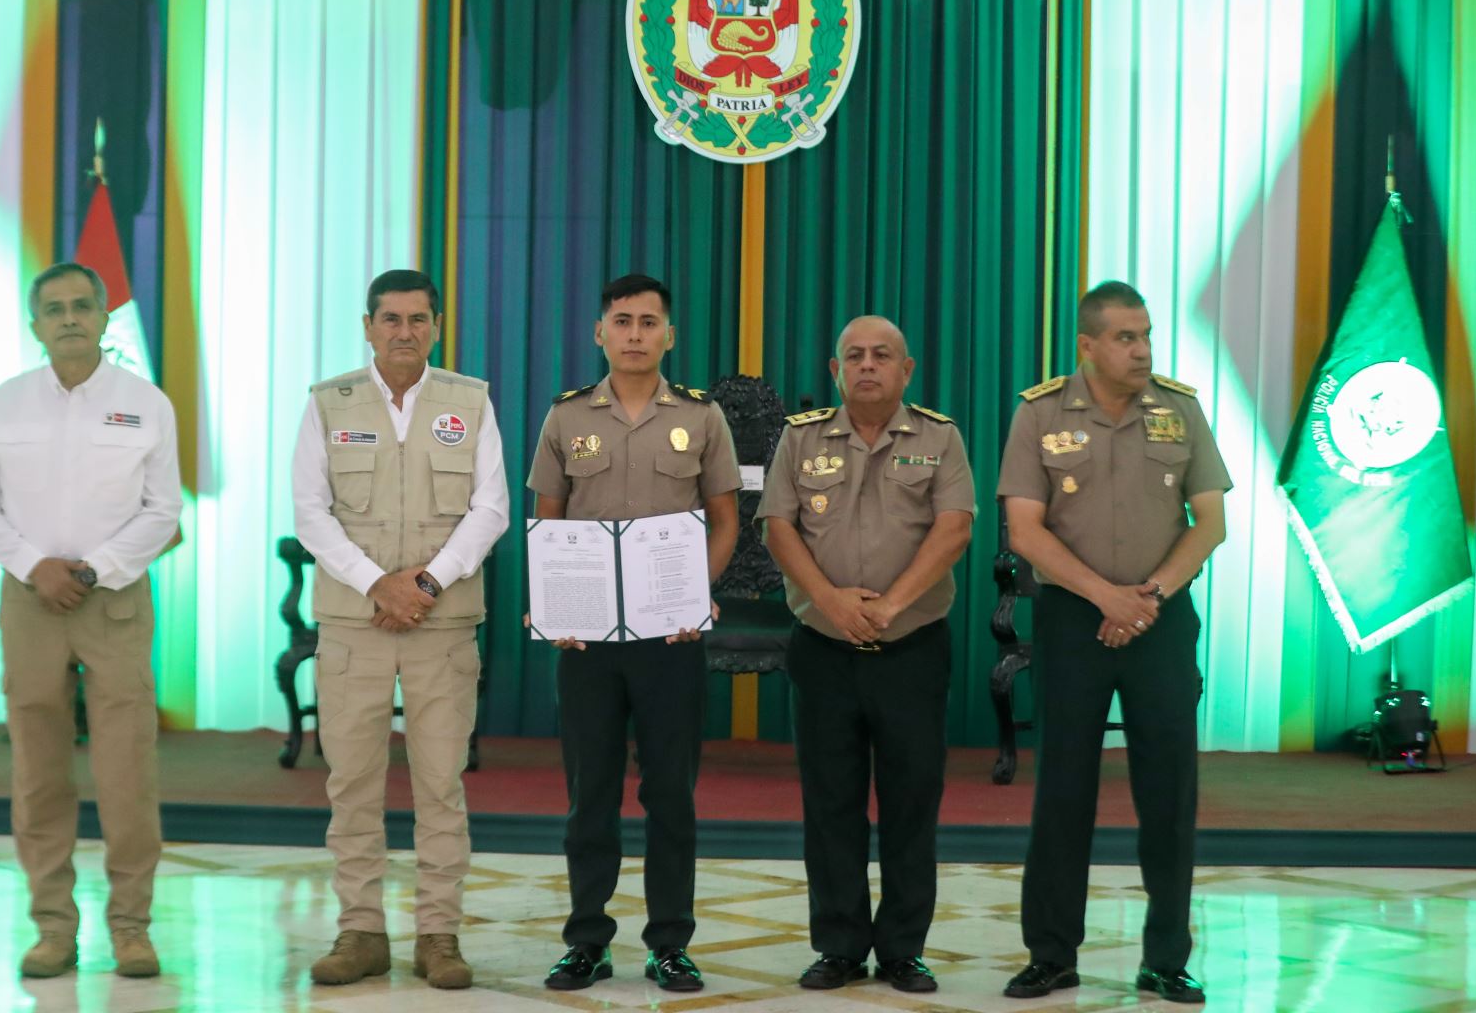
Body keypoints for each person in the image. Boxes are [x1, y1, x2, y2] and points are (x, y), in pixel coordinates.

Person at [996, 281, 1230, 1005]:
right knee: (1063, 792)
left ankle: (1166, 959)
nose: (1143, 350)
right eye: (1126, 338)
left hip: (1159, 624)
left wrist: (1148, 597)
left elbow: (1210, 522)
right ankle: (1052, 954)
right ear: (1087, 346)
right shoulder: (1039, 413)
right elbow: (1025, 530)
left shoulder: (1180, 408)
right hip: (1074, 623)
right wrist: (1106, 597)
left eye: (1148, 335)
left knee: (1169, 794)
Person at [292, 269, 508, 990]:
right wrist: (375, 583)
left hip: (440, 623)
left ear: (437, 325)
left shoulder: (469, 401)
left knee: (440, 784)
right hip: (355, 623)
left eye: (418, 319)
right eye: (390, 319)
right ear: (368, 325)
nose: (404, 331)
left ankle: (438, 936)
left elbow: (491, 508)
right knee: (351, 781)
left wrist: (424, 584)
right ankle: (360, 933)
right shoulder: (329, 403)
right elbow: (310, 512)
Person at [0, 262, 180, 980]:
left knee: (127, 771)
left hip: (112, 602)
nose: (68, 318)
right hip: (31, 602)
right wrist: (37, 567)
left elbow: (164, 511)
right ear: (35, 324)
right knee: (38, 770)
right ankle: (53, 928)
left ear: (103, 316)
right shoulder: (5, 403)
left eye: (81, 305)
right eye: (53, 308)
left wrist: (92, 569)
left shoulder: (145, 403)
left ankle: (132, 930)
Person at [525, 273, 740, 993]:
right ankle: (586, 940)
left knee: (671, 795)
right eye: (623, 321)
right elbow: (548, 519)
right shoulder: (565, 418)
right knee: (590, 796)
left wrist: (695, 595)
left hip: (670, 639)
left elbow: (725, 519)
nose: (637, 334)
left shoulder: (703, 418)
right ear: (600, 333)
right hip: (586, 642)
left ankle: (670, 943)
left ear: (670, 336)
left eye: (651, 322)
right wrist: (551, 604)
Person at [758, 316, 975, 994]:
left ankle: (904, 948)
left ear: (907, 369)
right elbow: (778, 527)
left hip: (911, 646)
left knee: (912, 801)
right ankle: (840, 945)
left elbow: (955, 528)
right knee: (831, 803)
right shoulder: (801, 437)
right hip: (824, 647)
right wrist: (832, 603)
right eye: (855, 356)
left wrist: (888, 605)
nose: (869, 365)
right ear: (835, 369)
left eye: (883, 355)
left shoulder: (940, 437)